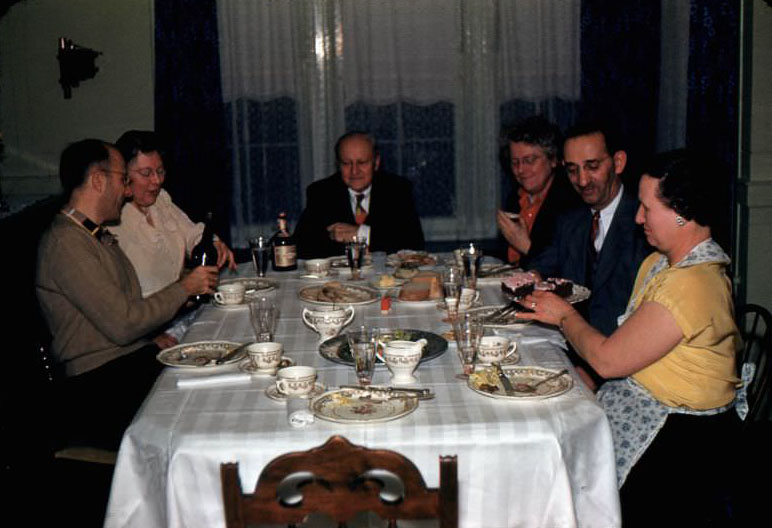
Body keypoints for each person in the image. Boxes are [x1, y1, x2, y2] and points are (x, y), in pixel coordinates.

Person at [518, 150, 740, 525]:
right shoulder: (660, 263)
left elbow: (608, 359)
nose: (638, 218)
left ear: (682, 213)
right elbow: (628, 347)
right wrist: (583, 378)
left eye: (647, 209)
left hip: (684, 447)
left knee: (553, 469)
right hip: (647, 410)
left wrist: (564, 314)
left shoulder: (692, 285)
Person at [36, 139, 219, 449]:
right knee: (203, 398)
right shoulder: (66, 244)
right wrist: (182, 289)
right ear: (97, 180)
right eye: (123, 179)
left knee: (212, 369)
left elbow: (125, 312)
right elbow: (123, 324)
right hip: (96, 387)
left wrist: (178, 300)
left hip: (123, 366)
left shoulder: (95, 236)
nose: (127, 191)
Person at [525, 121, 651, 387]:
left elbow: (641, 324)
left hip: (626, 369)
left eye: (592, 167)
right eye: (573, 170)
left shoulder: (646, 225)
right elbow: (539, 266)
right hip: (575, 351)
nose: (582, 181)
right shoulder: (571, 220)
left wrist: (589, 374)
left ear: (618, 162)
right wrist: (532, 277)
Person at [110, 130, 235, 348]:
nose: (156, 181)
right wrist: (145, 339)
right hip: (149, 330)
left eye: (160, 171)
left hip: (182, 314)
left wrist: (213, 241)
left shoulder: (160, 200)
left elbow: (192, 233)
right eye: (146, 173)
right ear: (123, 175)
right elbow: (114, 307)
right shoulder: (113, 220)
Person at [294, 131, 424, 259]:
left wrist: (362, 234)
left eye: (362, 163)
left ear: (376, 162)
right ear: (338, 165)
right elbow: (301, 248)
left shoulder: (398, 189)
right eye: (346, 163)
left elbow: (414, 245)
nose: (354, 171)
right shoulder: (321, 192)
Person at [496, 116, 582, 265]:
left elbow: (566, 268)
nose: (520, 170)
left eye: (529, 160)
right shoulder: (515, 198)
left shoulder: (570, 203)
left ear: (553, 160)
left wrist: (524, 245)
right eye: (515, 162)